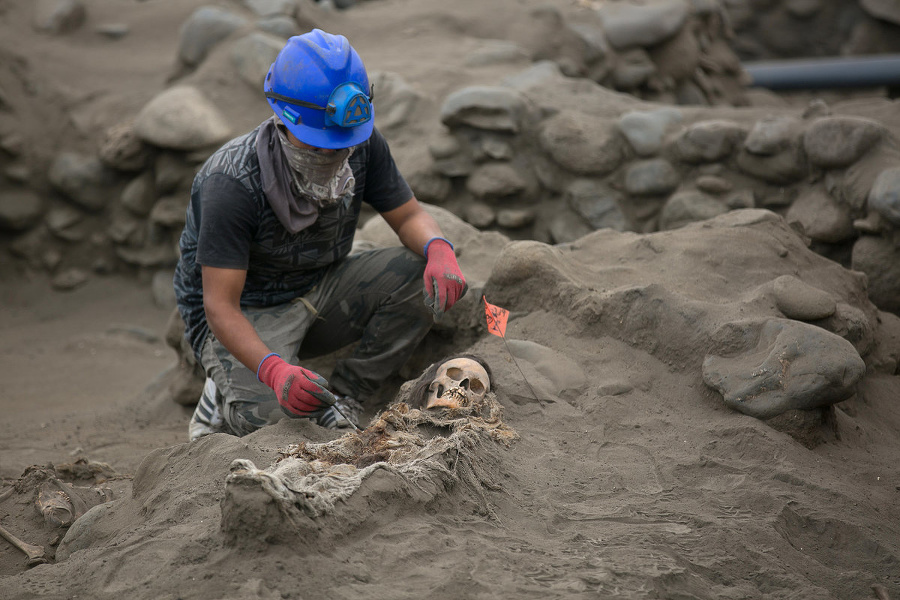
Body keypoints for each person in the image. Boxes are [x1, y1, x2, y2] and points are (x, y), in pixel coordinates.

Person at [173, 29, 467, 441]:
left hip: (321, 283)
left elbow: (408, 215)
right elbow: (220, 306)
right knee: (274, 422)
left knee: (416, 277)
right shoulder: (231, 183)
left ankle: (346, 395)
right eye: (319, 144)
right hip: (248, 310)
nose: (334, 154)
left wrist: (439, 249)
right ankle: (221, 390)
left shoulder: (358, 143)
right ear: (284, 119)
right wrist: (274, 372)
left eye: (342, 144)